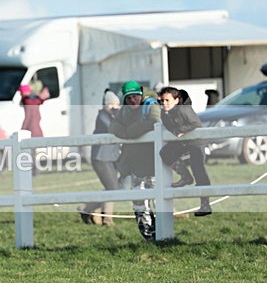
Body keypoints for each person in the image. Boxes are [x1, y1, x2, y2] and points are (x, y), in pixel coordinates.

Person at [109, 80, 161, 241]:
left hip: (155, 162)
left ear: (141, 95)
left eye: (136, 97)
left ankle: (164, 236)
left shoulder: (151, 105)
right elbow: (113, 126)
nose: (133, 101)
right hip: (135, 164)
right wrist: (124, 132)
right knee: (139, 204)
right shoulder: (124, 111)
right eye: (129, 98)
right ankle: (150, 239)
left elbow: (154, 121)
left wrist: (130, 132)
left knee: (160, 202)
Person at [158, 86, 213, 217]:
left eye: (167, 100)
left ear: (176, 100)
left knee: (198, 169)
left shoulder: (184, 109)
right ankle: (185, 176)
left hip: (196, 141)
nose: (164, 104)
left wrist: (181, 129)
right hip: (183, 141)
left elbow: (196, 124)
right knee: (165, 153)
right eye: (162, 101)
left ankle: (205, 204)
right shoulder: (164, 113)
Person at [79, 89, 120, 226]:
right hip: (101, 158)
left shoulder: (112, 115)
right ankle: (106, 218)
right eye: (112, 104)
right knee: (112, 188)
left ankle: (88, 209)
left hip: (112, 157)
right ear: (105, 105)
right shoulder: (102, 116)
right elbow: (113, 127)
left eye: (117, 104)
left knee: (113, 188)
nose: (115, 107)